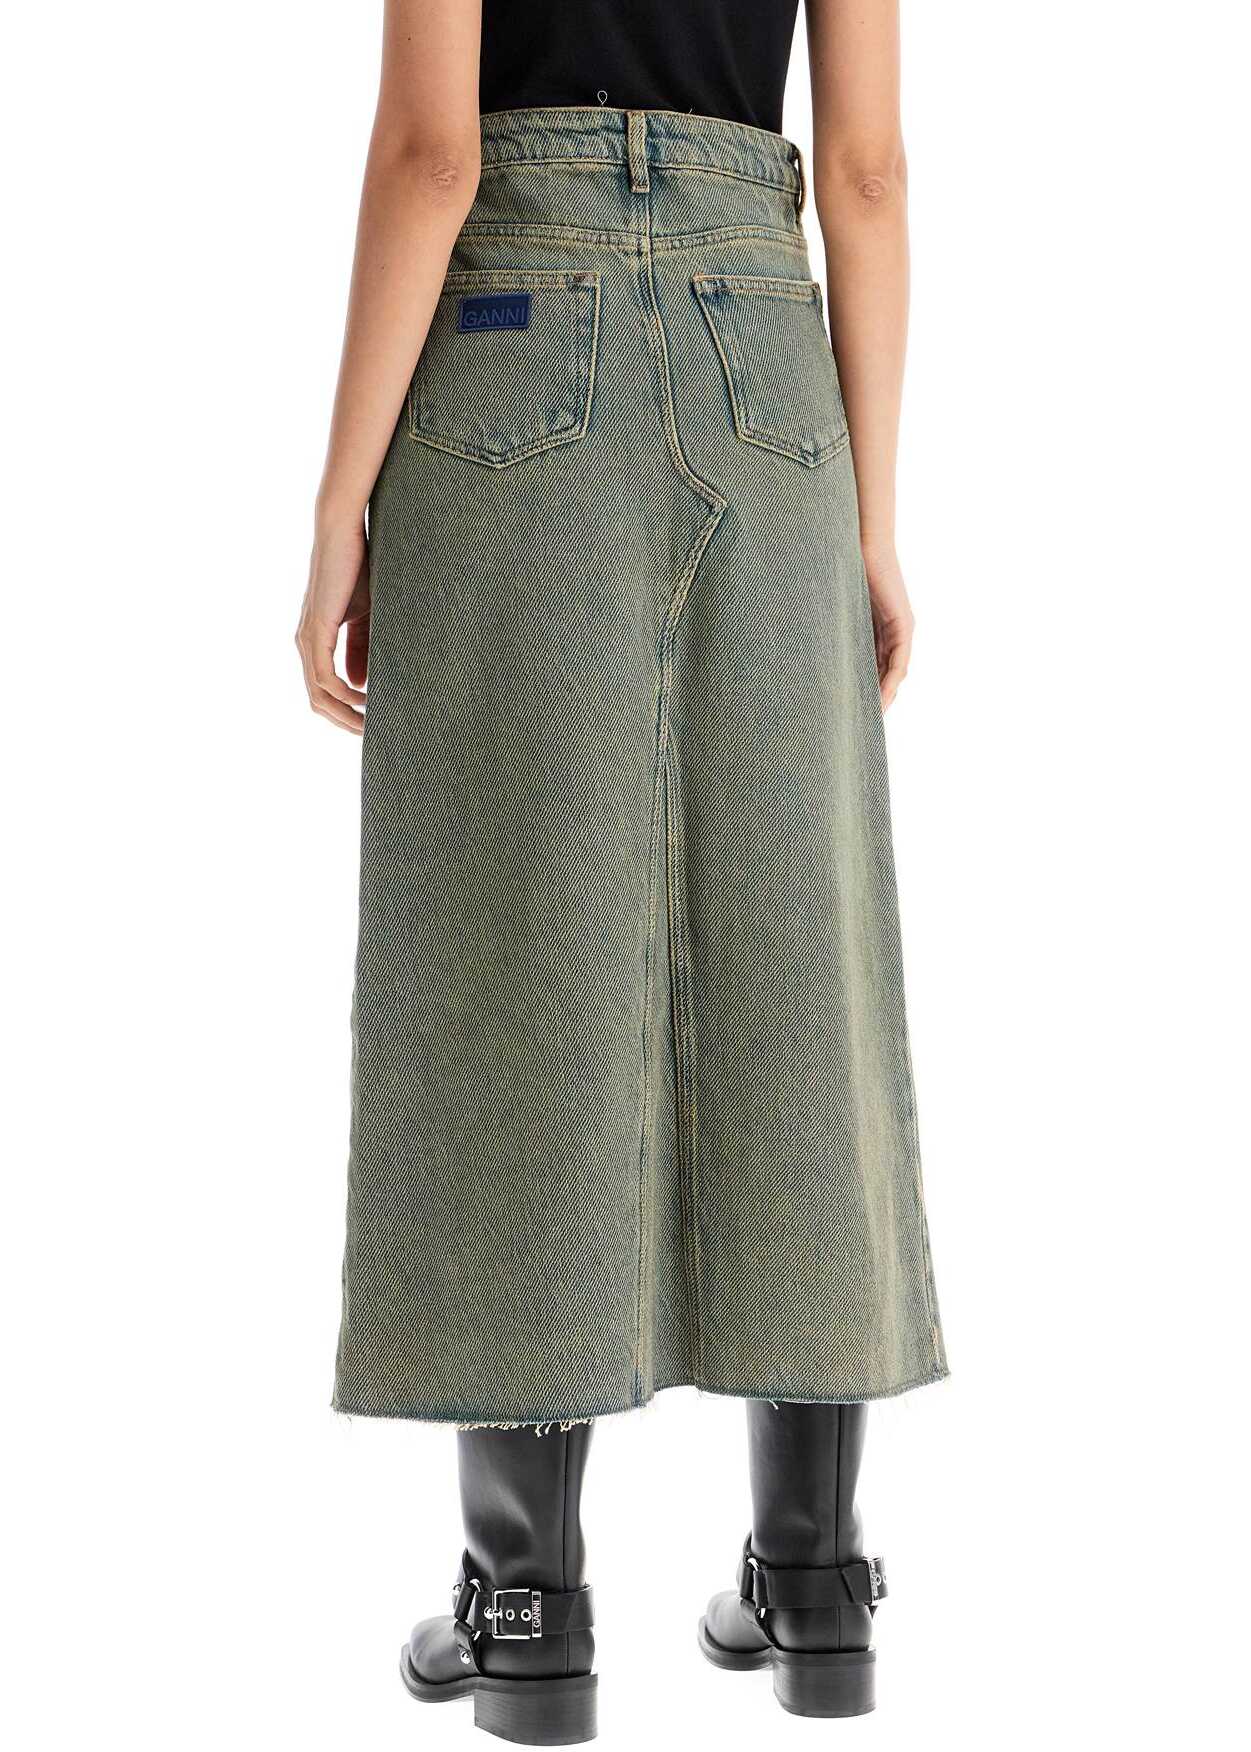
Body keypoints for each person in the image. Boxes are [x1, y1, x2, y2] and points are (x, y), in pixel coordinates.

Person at [296, 2, 945, 1740]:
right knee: (795, 936)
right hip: (766, 345)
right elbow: (866, 175)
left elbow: (432, 157)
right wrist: (871, 518)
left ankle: (526, 1604)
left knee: (514, 932)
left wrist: (341, 499)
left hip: (515, 328)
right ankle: (814, 1574)